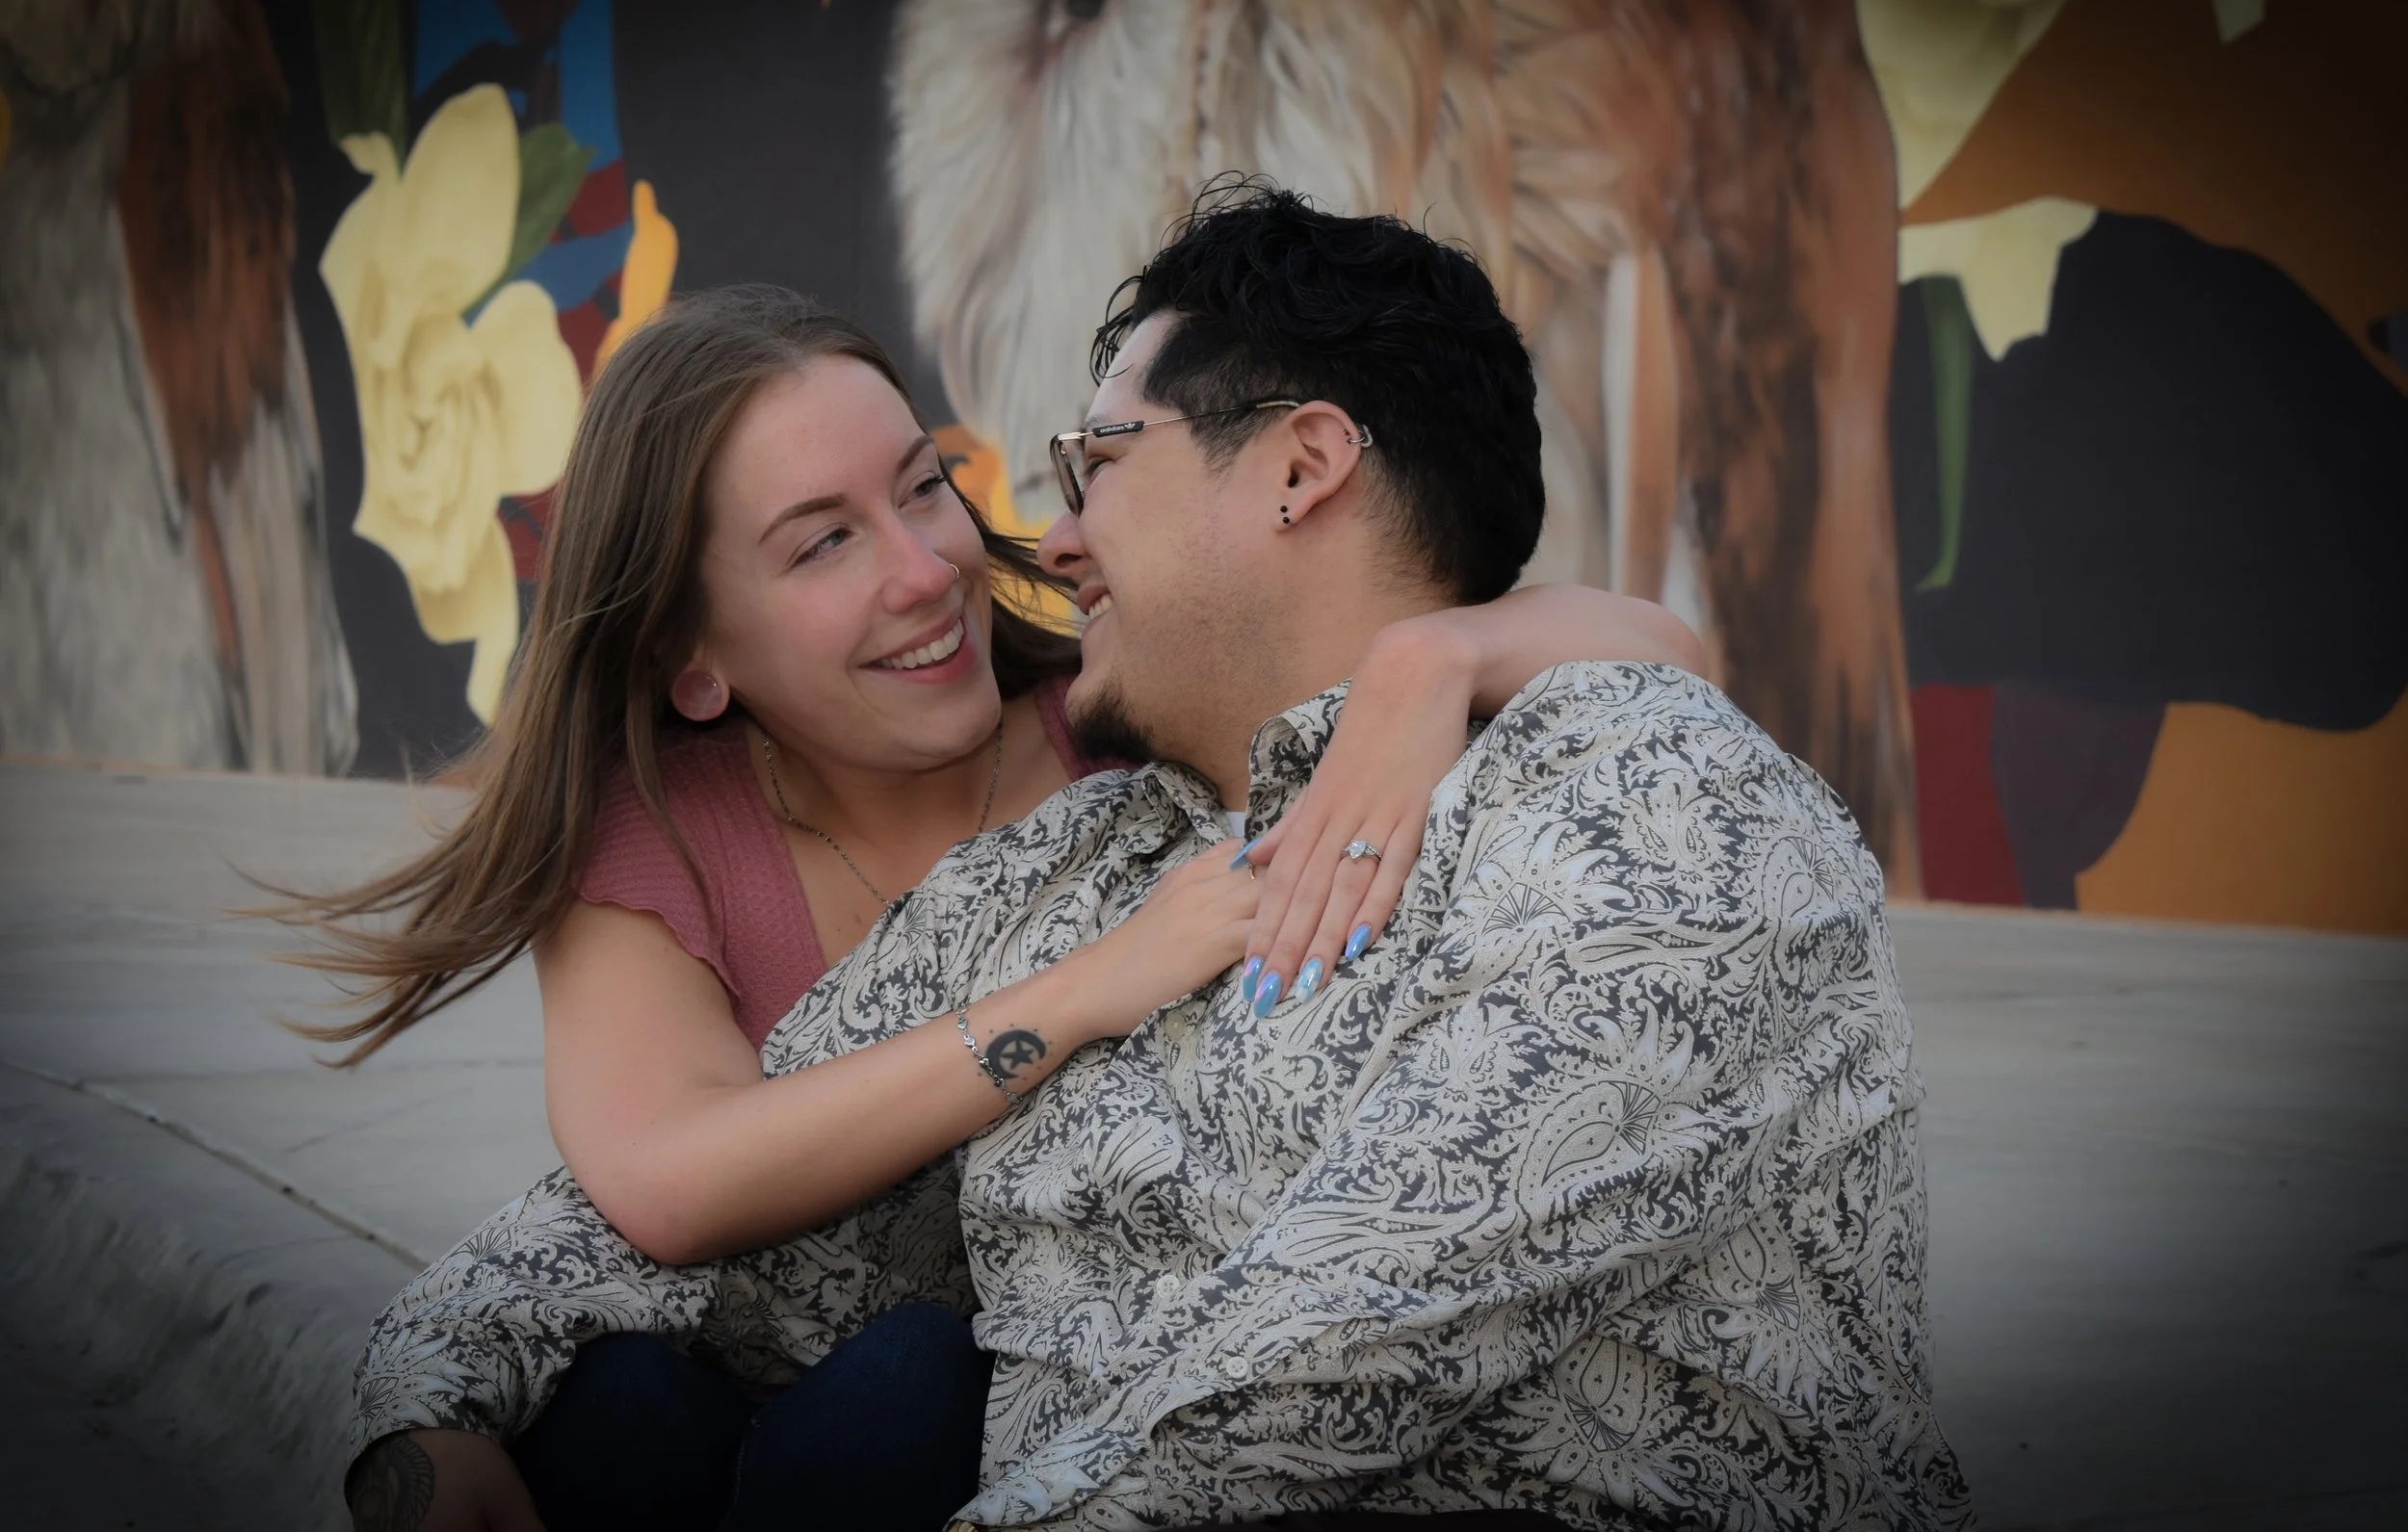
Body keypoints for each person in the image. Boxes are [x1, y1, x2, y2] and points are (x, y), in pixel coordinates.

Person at [342, 186, 1969, 1530]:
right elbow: (653, 1214)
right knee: (632, 1404)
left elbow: (1302, 1390)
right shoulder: (1104, 859)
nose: (1034, 545)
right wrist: (419, 1420)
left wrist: (1439, 659)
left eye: (1098, 464)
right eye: (826, 539)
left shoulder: (1634, 811)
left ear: (1303, 467)